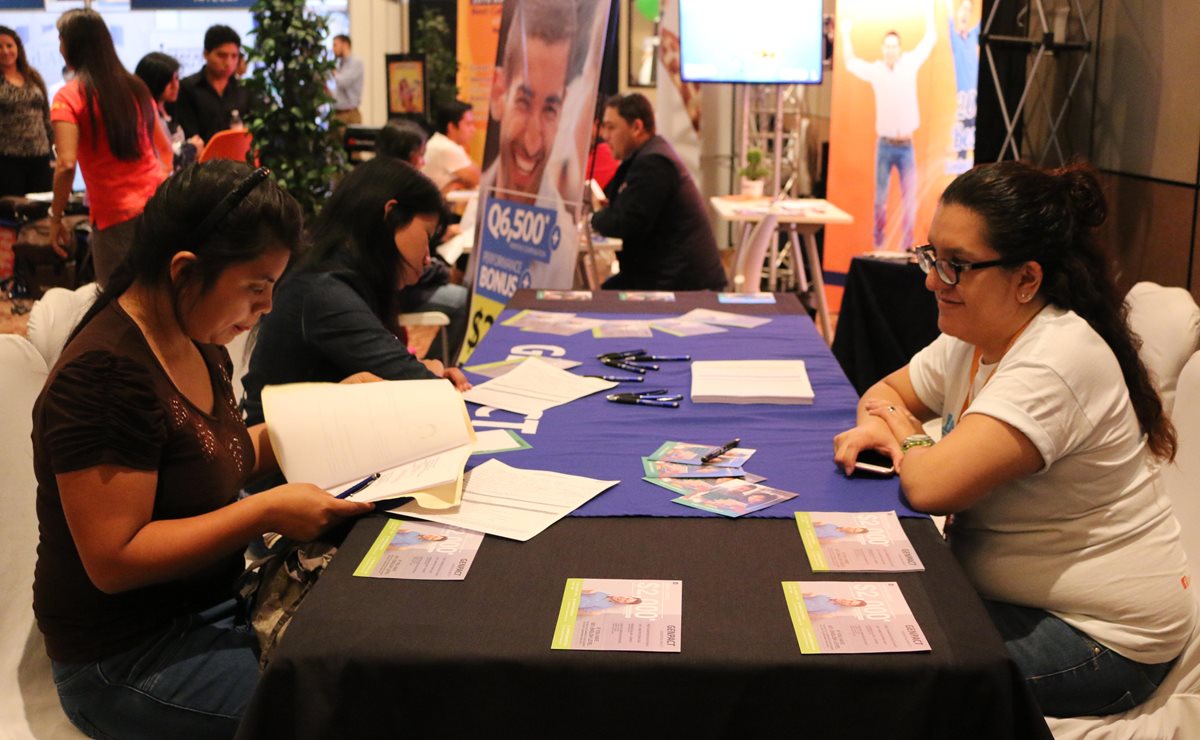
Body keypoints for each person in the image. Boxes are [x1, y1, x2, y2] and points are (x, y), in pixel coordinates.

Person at [832, 161, 1196, 718]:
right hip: (1015, 601)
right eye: (931, 256)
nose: (932, 281)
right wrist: (895, 422)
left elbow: (930, 486)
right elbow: (883, 392)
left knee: (877, 670)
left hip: (1102, 638)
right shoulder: (976, 331)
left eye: (956, 266)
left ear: (1026, 279)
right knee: (851, 623)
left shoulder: (1054, 360)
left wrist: (903, 430)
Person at [32, 161, 375, 740]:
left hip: (215, 608)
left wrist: (334, 409)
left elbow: (224, 454)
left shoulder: (194, 338)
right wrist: (266, 509)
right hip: (122, 658)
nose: (267, 307)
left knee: (371, 665)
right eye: (256, 288)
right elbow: (115, 558)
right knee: (340, 716)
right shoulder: (105, 377)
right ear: (185, 271)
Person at [242, 157, 471, 428]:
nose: (427, 258)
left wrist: (426, 371)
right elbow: (422, 385)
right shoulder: (322, 290)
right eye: (427, 237)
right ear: (391, 216)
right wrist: (431, 370)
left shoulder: (341, 276)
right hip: (280, 448)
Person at [49, 8, 171, 286]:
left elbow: (65, 164)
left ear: (71, 45)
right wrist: (159, 185)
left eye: (61, 40)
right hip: (158, 208)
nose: (59, 47)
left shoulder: (69, 96)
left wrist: (55, 219)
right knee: (158, 292)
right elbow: (164, 148)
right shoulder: (135, 87)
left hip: (115, 217)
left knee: (117, 300)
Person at [591, 93, 726, 291]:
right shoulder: (651, 155)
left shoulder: (653, 163)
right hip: (667, 275)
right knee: (600, 294)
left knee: (599, 299)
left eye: (611, 127)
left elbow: (625, 223)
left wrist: (593, 218)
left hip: (680, 285)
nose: (604, 135)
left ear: (636, 127)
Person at [841, 3, 936, 250]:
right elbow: (850, 62)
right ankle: (879, 243)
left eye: (894, 46)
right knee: (880, 200)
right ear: (883, 49)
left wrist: (929, 11)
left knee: (910, 201)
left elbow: (930, 40)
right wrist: (845, 33)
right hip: (884, 145)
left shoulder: (910, 64)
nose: (890, 50)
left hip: (906, 146)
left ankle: (907, 247)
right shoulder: (876, 71)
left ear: (899, 48)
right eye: (887, 46)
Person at [169, 25, 250, 145]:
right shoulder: (187, 88)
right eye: (222, 55)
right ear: (206, 54)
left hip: (239, 154)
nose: (228, 63)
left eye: (234, 56)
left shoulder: (244, 88)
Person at [0, 26, 53, 197]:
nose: (5, 51)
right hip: (7, 158)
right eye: (0, 47)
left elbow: (46, 115)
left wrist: (54, 150)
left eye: (9, 45)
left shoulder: (33, 76)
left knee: (42, 206)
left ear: (18, 47)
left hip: (40, 155)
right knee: (12, 208)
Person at [134, 51, 203, 170]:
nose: (175, 86)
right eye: (168, 81)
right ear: (154, 82)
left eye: (176, 79)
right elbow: (159, 158)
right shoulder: (143, 116)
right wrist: (191, 148)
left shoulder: (174, 106)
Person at [946, 0, 980, 172]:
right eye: (962, 9)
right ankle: (961, 164)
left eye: (968, 10)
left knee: (971, 128)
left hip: (974, 95)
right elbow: (948, 14)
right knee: (962, 128)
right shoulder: (955, 37)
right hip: (962, 96)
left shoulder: (974, 35)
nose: (965, 13)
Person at [424, 99, 480, 193]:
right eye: (468, 124)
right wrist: (461, 183)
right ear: (452, 127)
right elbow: (480, 179)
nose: (473, 129)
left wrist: (457, 183)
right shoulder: (446, 147)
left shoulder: (440, 141)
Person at [330, 34, 364, 126]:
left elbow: (344, 82)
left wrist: (334, 72)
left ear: (345, 45)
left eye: (335, 45)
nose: (333, 49)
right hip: (337, 113)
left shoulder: (356, 63)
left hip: (349, 115)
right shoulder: (340, 64)